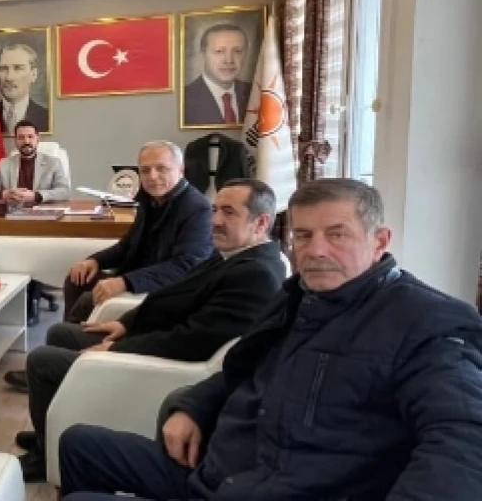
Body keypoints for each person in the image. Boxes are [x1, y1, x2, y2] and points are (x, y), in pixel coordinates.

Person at [58, 178, 482, 501]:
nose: (315, 251)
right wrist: (193, 406)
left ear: (380, 241)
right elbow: (241, 368)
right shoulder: (297, 296)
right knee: (79, 444)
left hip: (279, 486)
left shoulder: (426, 322)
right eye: (303, 236)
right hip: (218, 469)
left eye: (337, 234)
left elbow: (463, 442)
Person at [10, 179, 287, 482]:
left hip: (168, 361)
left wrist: (118, 348)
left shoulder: (255, 274)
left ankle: (45, 458)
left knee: (41, 360)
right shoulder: (233, 255)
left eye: (229, 212)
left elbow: (192, 341)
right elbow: (174, 296)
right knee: (61, 334)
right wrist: (125, 323)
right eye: (215, 210)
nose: (216, 220)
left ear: (261, 222)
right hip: (155, 338)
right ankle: (48, 433)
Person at [61, 140, 212, 323]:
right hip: (136, 276)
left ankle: (73, 336)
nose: (152, 176)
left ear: (181, 170)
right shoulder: (149, 201)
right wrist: (95, 260)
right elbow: (127, 246)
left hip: (165, 290)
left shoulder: (198, 209)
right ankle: (74, 334)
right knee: (77, 279)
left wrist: (125, 282)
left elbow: (186, 265)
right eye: (145, 170)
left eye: (161, 168)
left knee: (87, 301)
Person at [0, 120, 71, 324]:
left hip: (42, 222)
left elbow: (64, 191)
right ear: (15, 141)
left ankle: (32, 302)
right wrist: (5, 193)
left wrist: (36, 196)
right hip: (13, 220)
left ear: (38, 139)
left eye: (30, 137)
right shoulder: (5, 164)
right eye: (21, 137)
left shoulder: (53, 163)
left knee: (34, 253)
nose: (26, 141)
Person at [182, 24, 252, 126]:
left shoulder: (255, 94)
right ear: (203, 54)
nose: (229, 60)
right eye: (219, 51)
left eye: (237, 51)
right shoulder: (185, 99)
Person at [0, 42, 50, 133]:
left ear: (34, 74)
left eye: (18, 68)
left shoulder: (45, 117)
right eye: (3, 69)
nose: (9, 77)